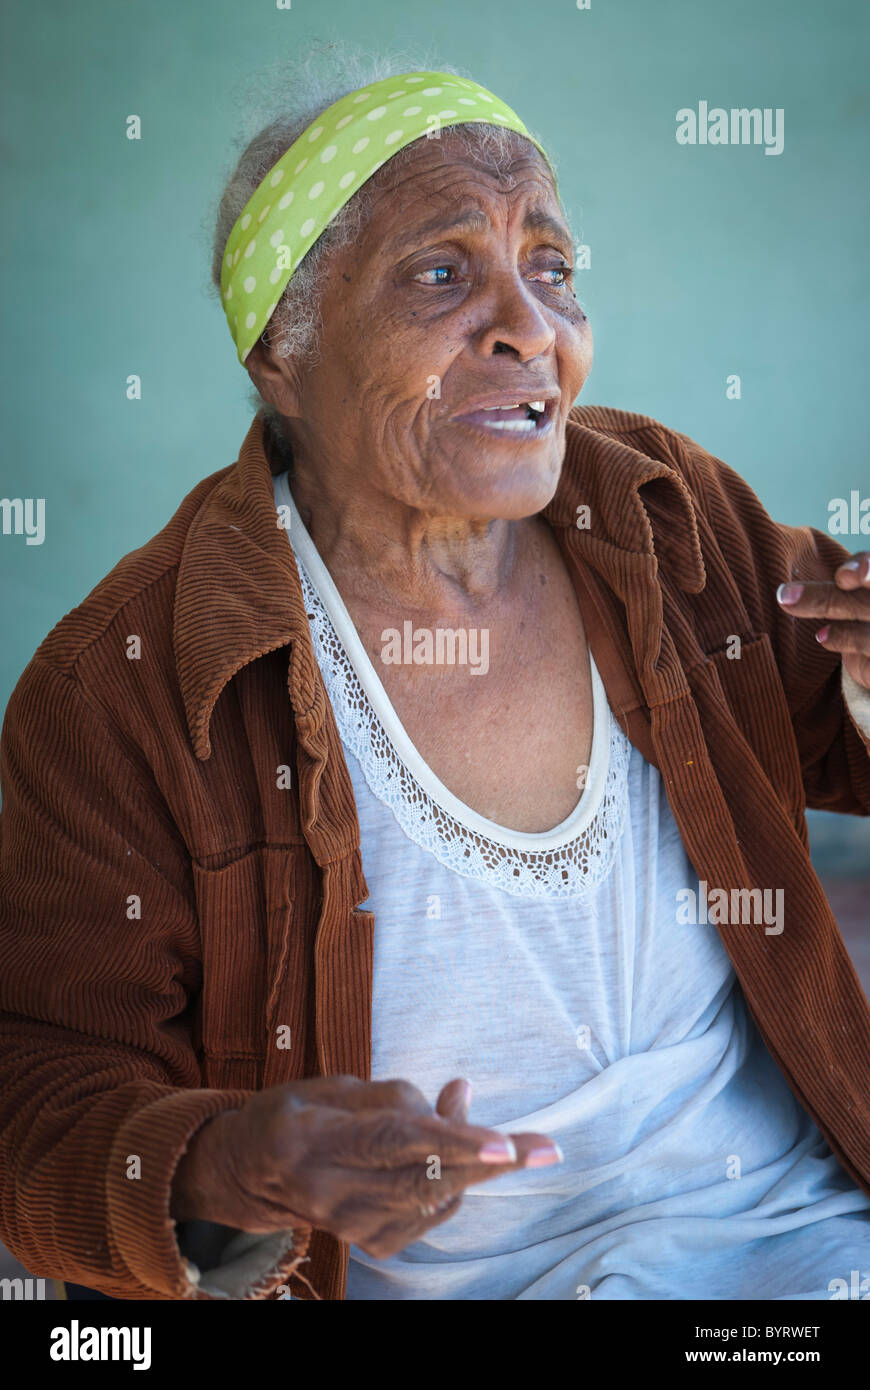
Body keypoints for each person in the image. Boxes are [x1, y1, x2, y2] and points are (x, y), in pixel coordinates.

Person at [1, 50, 869, 1302]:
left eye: (552, 268)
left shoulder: (666, 516)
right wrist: (227, 1162)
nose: (530, 326)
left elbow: (835, 716)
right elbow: (40, 1098)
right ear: (280, 351)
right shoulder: (125, 690)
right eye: (443, 273)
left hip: (795, 1242)